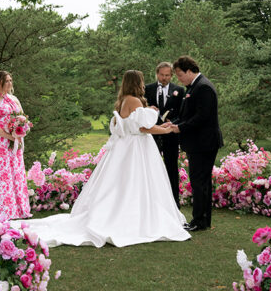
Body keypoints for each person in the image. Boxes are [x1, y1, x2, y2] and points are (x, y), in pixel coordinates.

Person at [27, 71, 190, 247]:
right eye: (141, 81)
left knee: (124, 183)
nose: (144, 84)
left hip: (127, 145)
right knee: (136, 181)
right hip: (135, 147)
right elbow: (142, 128)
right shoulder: (134, 100)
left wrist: (159, 124)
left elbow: (136, 125)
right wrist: (166, 130)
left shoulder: (124, 100)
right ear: (136, 82)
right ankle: (135, 218)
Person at [166, 56, 223, 232]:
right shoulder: (194, 87)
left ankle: (199, 220)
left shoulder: (203, 87)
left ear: (190, 71)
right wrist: (173, 123)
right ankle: (202, 220)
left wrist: (179, 128)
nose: (179, 79)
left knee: (200, 182)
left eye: (180, 75)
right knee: (201, 182)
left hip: (204, 143)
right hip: (198, 143)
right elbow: (187, 115)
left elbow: (202, 117)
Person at [0, 71, 30, 219]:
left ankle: (18, 209)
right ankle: (2, 210)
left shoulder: (14, 99)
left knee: (15, 171)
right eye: (7, 81)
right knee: (0, 174)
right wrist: (7, 135)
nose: (10, 83)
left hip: (14, 141)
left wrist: (20, 131)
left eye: (11, 80)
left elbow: (22, 117)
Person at [144, 61, 185, 206]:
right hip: (151, 135)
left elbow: (182, 113)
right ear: (157, 74)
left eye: (167, 75)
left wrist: (172, 121)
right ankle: (152, 202)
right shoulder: (147, 89)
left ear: (171, 75)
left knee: (171, 168)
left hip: (171, 135)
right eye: (162, 75)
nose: (164, 78)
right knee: (149, 168)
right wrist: (148, 109)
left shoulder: (179, 90)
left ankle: (174, 203)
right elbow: (140, 110)